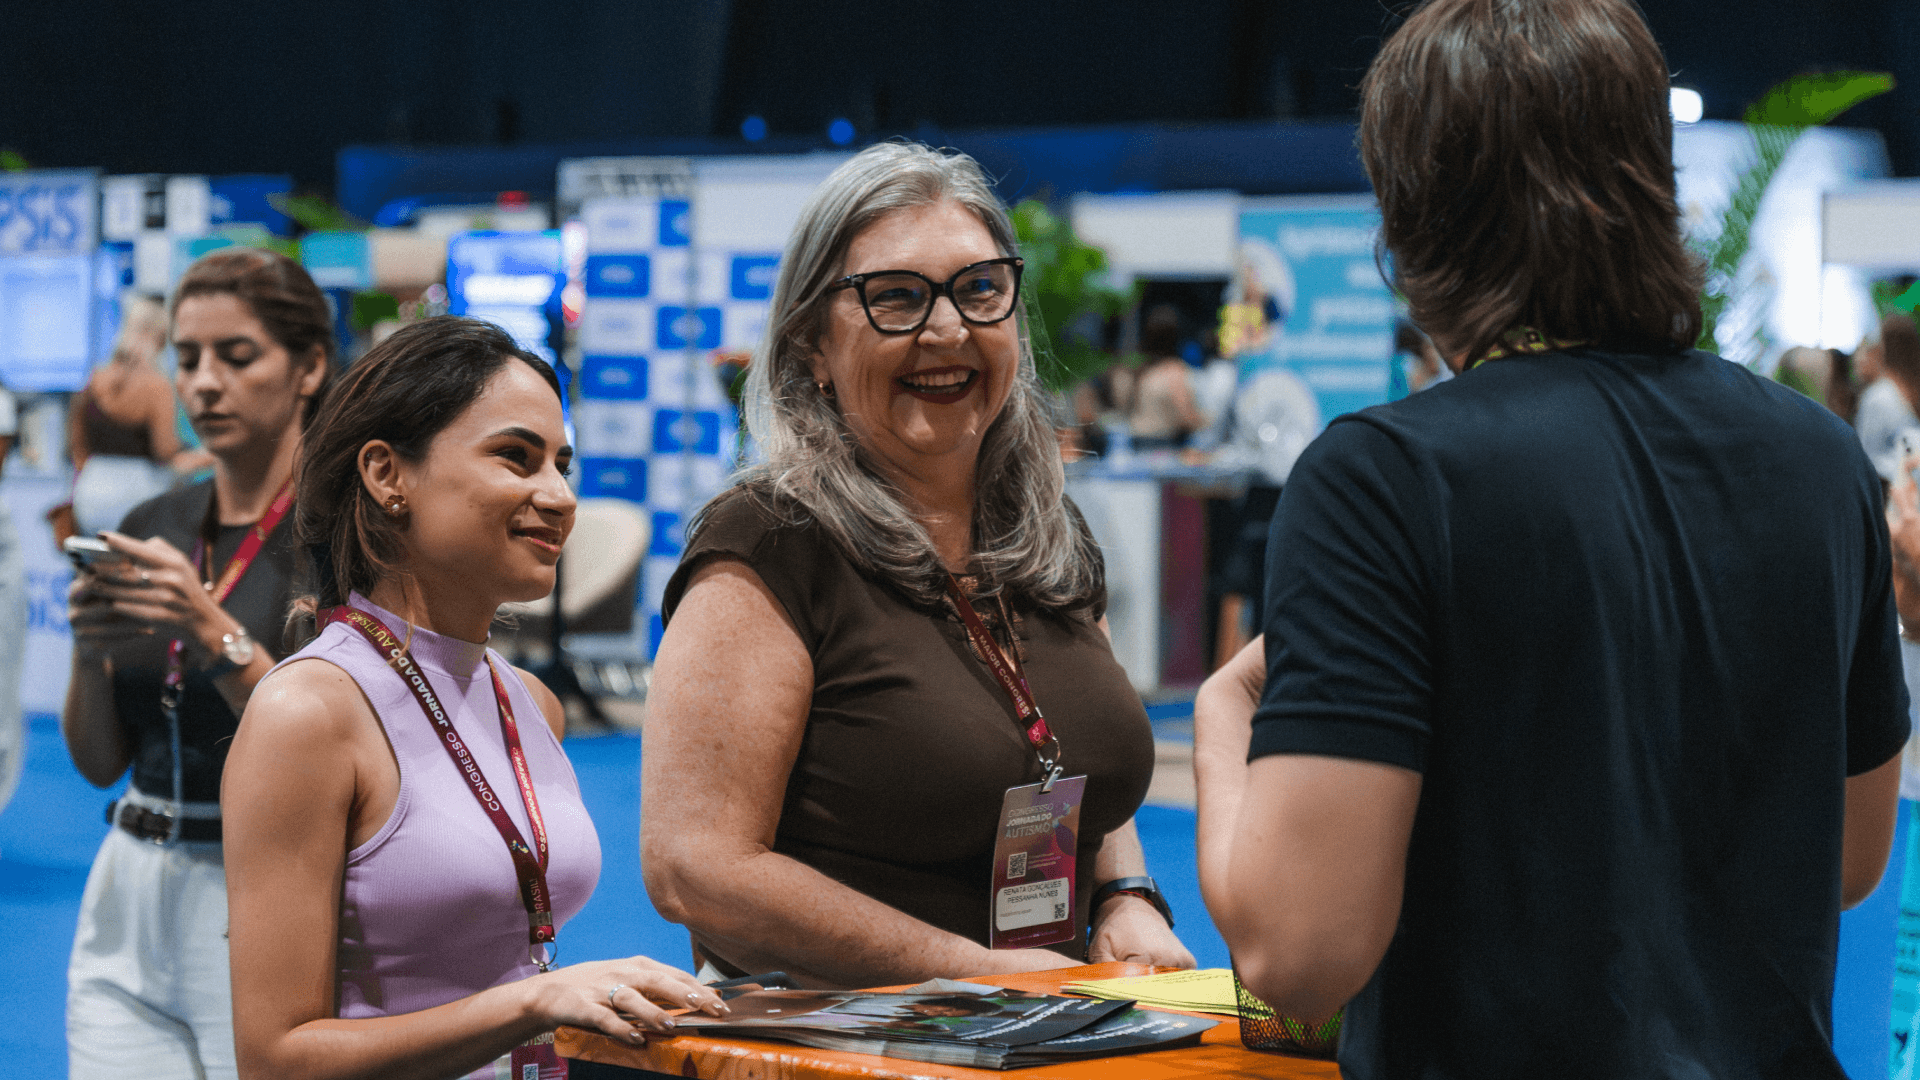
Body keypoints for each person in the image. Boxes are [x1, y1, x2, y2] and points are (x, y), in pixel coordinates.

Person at [1193, 1, 1907, 1076]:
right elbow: (1849, 857)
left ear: (1412, 210)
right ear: (1650, 180)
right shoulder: (1819, 456)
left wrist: (1217, 715)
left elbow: (1298, 953)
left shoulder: (1385, 476)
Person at [642, 141, 1193, 990]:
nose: (947, 330)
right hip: (850, 1041)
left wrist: (1127, 895)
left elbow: (1065, 753)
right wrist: (972, 972)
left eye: (979, 290)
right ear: (811, 347)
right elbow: (693, 867)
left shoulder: (1047, 532)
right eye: (896, 298)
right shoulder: (770, 543)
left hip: (1053, 1025)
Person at [221, 316, 725, 1080]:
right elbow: (276, 1059)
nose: (558, 496)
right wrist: (534, 1002)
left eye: (563, 464)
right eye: (515, 458)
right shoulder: (310, 713)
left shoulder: (529, 703)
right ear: (389, 475)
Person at [61, 249, 336, 1079]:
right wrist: (87, 652)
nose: (205, 383)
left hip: (260, 894)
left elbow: (338, 749)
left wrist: (209, 628)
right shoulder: (157, 521)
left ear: (310, 366)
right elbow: (98, 761)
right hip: (126, 885)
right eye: (187, 360)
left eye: (236, 355)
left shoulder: (342, 541)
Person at [64, 294, 207, 537]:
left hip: (88, 496)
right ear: (161, 338)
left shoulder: (95, 378)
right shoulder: (156, 386)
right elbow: (165, 452)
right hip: (137, 498)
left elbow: (76, 447)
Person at [1125, 305, 1206, 450]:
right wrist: (1207, 421)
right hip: (1161, 446)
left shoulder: (1142, 370)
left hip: (1134, 443)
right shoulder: (1174, 370)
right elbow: (1185, 417)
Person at [1858, 312, 1920, 479]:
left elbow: (1866, 458)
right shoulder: (1909, 391)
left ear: (1882, 348)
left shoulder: (1878, 396)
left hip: (1891, 489)